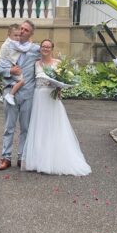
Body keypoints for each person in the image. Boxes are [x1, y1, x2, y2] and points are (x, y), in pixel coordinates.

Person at [21, 39, 91, 176]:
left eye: (48, 47)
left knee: (54, 127)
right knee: (40, 127)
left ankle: (53, 160)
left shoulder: (58, 63)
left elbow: (63, 80)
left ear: (52, 49)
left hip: (51, 98)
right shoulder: (36, 63)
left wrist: (60, 88)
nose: (45, 49)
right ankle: (38, 160)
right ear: (40, 48)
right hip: (39, 97)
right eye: (43, 46)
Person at [0, 20, 40, 170]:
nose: (21, 31)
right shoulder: (7, 47)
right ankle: (5, 158)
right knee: (9, 128)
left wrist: (57, 83)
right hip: (10, 92)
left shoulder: (35, 49)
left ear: (31, 34)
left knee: (25, 128)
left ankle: (23, 157)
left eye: (26, 30)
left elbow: (47, 63)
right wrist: (9, 71)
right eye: (21, 28)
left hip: (28, 94)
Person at [0, 23, 32, 105]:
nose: (18, 38)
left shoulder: (8, 42)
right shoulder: (12, 43)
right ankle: (10, 95)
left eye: (19, 35)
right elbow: (24, 49)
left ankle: (3, 95)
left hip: (5, 62)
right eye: (15, 35)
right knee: (21, 81)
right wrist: (30, 43)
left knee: (13, 81)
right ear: (9, 35)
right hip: (6, 64)